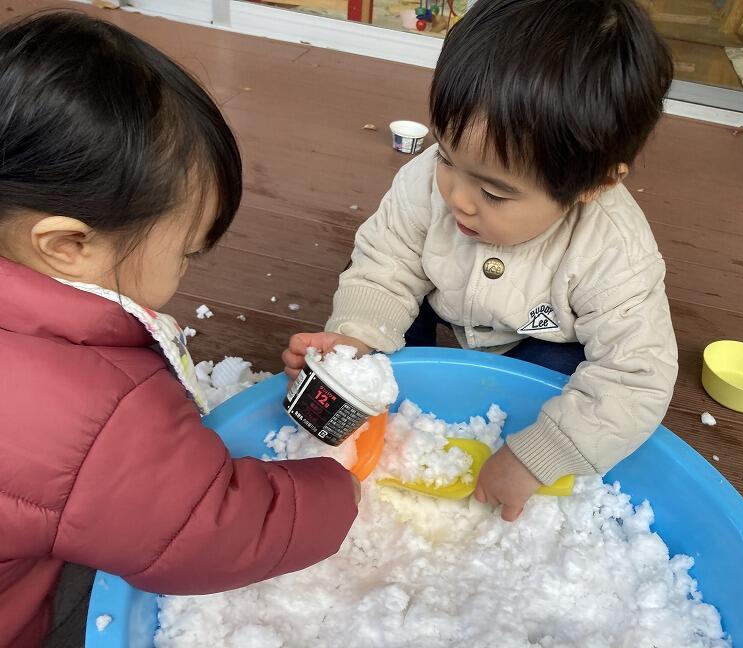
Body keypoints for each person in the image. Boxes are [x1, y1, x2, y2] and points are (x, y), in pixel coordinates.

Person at [0, 12, 358, 648]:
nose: (189, 268)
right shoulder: (93, 413)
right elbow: (213, 531)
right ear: (69, 244)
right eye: (188, 251)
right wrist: (343, 490)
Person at [284, 0, 678, 522]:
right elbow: (388, 260)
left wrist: (536, 458)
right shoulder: (429, 181)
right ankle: (395, 388)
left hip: (544, 330)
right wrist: (356, 343)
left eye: (494, 193)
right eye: (448, 157)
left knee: (568, 377)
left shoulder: (613, 254)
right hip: (447, 298)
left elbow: (635, 376)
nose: (458, 199)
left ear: (593, 184)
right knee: (390, 315)